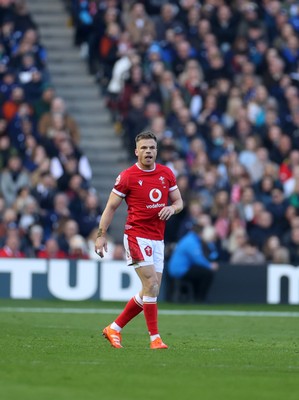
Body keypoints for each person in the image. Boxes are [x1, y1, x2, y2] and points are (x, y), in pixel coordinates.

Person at [95, 131, 183, 350]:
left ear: (156, 151)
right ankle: (155, 338)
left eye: (152, 148)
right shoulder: (127, 177)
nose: (148, 152)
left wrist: (171, 208)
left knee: (150, 290)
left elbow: (179, 202)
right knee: (151, 285)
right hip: (135, 236)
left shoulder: (166, 174)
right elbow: (111, 207)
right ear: (136, 152)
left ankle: (114, 328)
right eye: (144, 148)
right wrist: (100, 235)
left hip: (157, 239)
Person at [167, 224, 219, 303]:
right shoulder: (191, 241)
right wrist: (210, 266)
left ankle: (196, 298)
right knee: (208, 273)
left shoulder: (189, 239)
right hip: (180, 270)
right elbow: (198, 259)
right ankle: (200, 299)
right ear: (200, 233)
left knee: (199, 273)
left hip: (179, 268)